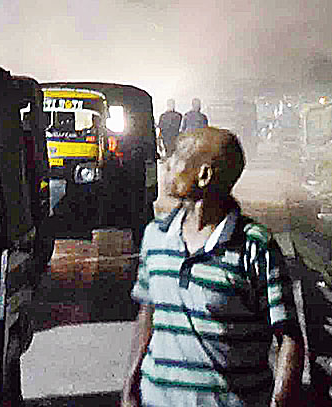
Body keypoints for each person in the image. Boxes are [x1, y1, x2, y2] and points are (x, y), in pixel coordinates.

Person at [122, 127, 303, 407]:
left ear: (204, 175)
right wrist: (129, 388)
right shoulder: (156, 236)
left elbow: (289, 338)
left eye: (177, 157)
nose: (167, 164)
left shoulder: (255, 246)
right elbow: (148, 312)